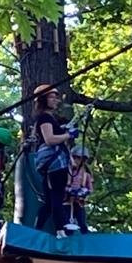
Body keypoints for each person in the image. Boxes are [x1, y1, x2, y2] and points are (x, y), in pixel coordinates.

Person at [31, 83, 78, 238]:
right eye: (52, 97)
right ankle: (61, 230)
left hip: (52, 164)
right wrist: (68, 135)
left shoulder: (50, 119)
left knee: (49, 202)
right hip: (55, 164)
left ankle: (36, 231)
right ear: (44, 99)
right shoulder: (44, 117)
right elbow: (50, 139)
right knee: (57, 197)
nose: (56, 100)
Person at [66, 145, 94, 234]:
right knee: (66, 225)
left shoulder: (86, 175)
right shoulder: (66, 172)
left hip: (78, 202)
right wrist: (69, 190)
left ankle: (85, 241)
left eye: (81, 159)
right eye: (76, 158)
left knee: (82, 224)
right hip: (66, 202)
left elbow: (90, 189)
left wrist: (84, 192)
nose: (78, 161)